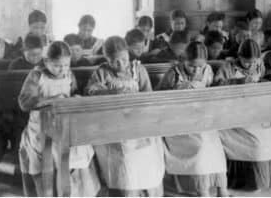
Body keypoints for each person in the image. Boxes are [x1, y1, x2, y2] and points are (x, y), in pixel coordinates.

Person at [18, 41, 100, 197]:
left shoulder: (69, 74)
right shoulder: (37, 75)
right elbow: (24, 102)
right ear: (46, 61)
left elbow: (74, 92)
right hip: (40, 127)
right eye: (57, 66)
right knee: (49, 157)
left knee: (77, 152)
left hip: (64, 124)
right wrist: (52, 101)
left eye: (66, 65)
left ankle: (71, 192)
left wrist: (76, 97)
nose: (62, 69)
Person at [85, 36, 164, 196]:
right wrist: (110, 92)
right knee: (123, 160)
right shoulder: (102, 72)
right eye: (115, 61)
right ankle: (125, 189)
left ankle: (145, 189)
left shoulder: (138, 70)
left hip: (138, 122)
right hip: (112, 126)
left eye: (124, 59)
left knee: (146, 153)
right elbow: (89, 92)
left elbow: (149, 95)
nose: (121, 64)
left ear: (129, 54)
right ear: (107, 59)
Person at [214, 39, 271, 192]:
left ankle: (270, 177)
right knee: (256, 143)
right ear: (239, 56)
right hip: (233, 113)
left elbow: (263, 81)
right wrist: (238, 81)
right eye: (246, 62)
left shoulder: (259, 65)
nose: (250, 65)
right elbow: (216, 87)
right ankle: (250, 180)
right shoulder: (227, 67)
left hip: (255, 110)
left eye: (253, 62)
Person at [158, 41, 228, 197]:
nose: (196, 70)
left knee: (215, 144)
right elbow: (159, 99)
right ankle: (202, 189)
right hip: (178, 121)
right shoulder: (173, 73)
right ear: (184, 60)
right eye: (192, 66)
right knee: (201, 145)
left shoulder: (208, 70)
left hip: (202, 117)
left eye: (200, 67)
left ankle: (222, 189)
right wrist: (178, 91)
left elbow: (213, 93)